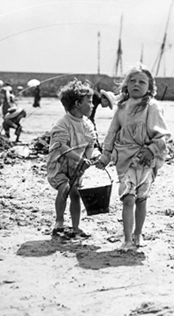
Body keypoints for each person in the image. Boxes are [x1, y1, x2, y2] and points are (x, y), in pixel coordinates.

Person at [96, 64, 172, 251]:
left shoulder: (152, 107)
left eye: (142, 82)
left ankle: (138, 234)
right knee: (128, 197)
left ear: (149, 87)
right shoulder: (121, 107)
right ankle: (127, 239)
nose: (136, 84)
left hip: (145, 161)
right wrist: (106, 155)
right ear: (126, 85)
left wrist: (152, 149)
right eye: (132, 81)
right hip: (125, 159)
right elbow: (113, 132)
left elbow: (164, 136)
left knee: (141, 198)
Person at [47, 80, 100, 238]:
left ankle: (76, 226)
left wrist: (87, 159)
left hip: (76, 166)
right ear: (77, 103)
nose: (92, 105)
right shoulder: (62, 123)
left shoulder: (87, 124)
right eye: (89, 102)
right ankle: (59, 222)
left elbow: (91, 143)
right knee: (64, 188)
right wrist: (80, 158)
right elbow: (60, 146)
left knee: (75, 193)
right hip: (59, 165)